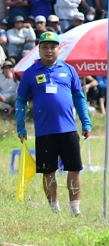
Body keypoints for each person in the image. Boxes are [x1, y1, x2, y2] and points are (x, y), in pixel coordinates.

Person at [16, 31, 92, 215]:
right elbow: (20, 100)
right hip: (44, 132)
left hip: (69, 129)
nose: (49, 51)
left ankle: (75, 209)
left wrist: (86, 122)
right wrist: (21, 126)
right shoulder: (30, 73)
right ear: (39, 50)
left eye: (52, 47)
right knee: (48, 171)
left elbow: (79, 97)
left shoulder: (69, 70)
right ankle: (54, 209)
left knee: (74, 169)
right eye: (45, 47)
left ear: (59, 49)